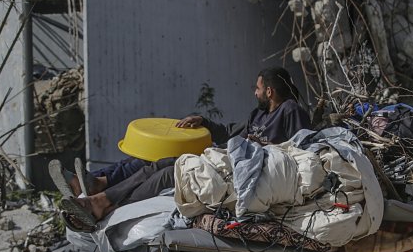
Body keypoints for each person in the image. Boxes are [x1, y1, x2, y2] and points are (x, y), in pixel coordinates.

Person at [56, 67, 310, 227]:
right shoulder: (258, 115)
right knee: (157, 160)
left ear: (269, 90)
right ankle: (99, 187)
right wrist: (204, 121)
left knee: (171, 171)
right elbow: (230, 131)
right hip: (230, 161)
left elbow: (300, 147)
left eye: (257, 88)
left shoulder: (290, 110)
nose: (254, 93)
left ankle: (106, 202)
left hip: (248, 175)